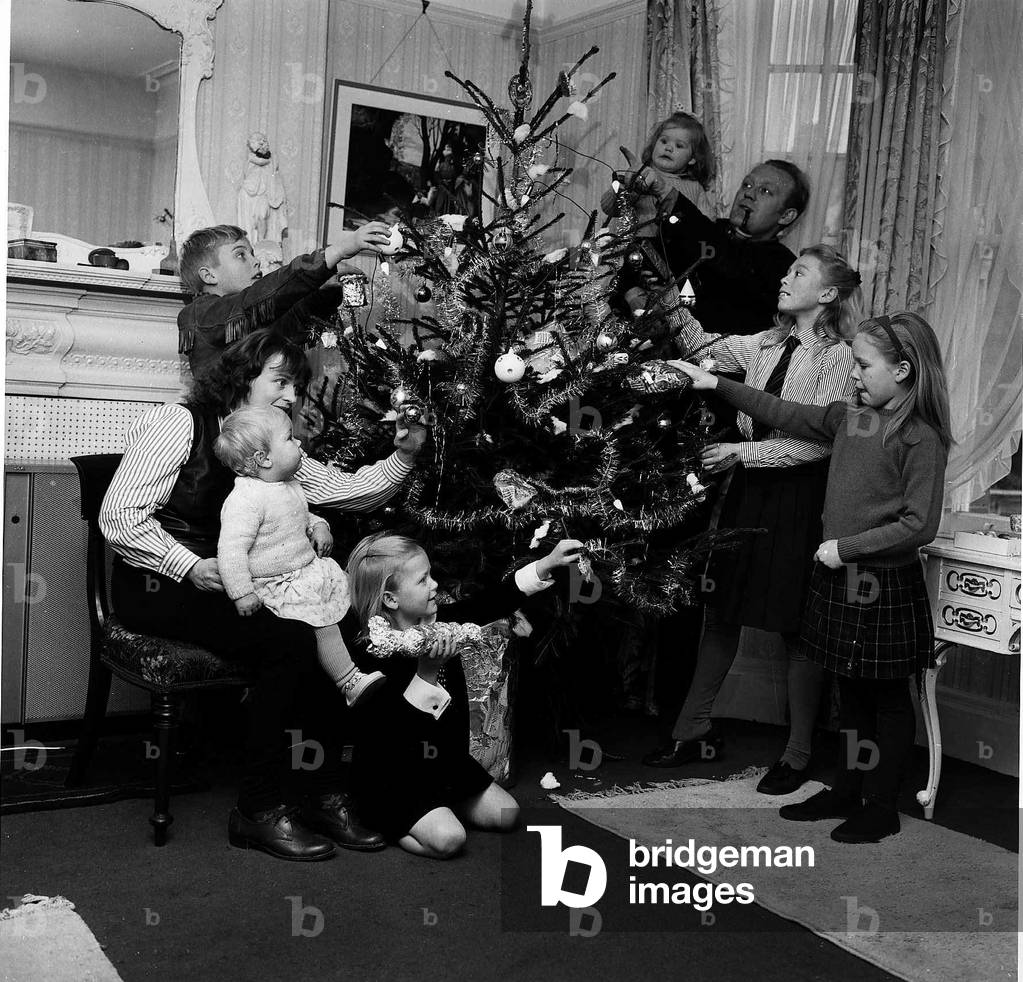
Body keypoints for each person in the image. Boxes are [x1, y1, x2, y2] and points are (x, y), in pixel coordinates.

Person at [100, 329, 427, 861]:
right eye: (281, 381)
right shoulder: (178, 423)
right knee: (288, 641)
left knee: (336, 628)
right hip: (164, 582)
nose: (293, 395)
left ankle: (326, 794)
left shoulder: (274, 449)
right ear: (241, 378)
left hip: (247, 582)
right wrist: (188, 565)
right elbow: (119, 517)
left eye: (296, 385)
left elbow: (349, 490)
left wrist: (405, 457)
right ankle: (258, 810)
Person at [670, 311, 951, 842]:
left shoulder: (920, 438)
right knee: (850, 693)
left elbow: (919, 524)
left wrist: (845, 549)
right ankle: (846, 790)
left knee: (888, 699)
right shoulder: (851, 417)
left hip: (881, 586)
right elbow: (784, 411)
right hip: (840, 579)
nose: (854, 374)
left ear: (905, 371)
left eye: (864, 366)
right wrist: (718, 383)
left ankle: (880, 806)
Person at [642, 246, 861, 800]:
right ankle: (690, 730)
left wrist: (743, 454)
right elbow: (704, 349)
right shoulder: (767, 342)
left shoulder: (837, 356)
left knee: (794, 626)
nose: (785, 279)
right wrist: (668, 293)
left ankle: (799, 753)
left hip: (798, 497)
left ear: (828, 294)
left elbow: (820, 440)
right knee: (721, 611)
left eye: (798, 273)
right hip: (748, 494)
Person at [344, 533, 585, 858]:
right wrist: (426, 674)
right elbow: (389, 730)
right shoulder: (372, 650)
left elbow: (489, 603)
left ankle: (440, 805)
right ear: (390, 599)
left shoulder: (437, 623)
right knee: (449, 840)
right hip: (395, 773)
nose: (434, 584)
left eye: (431, 574)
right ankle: (389, 822)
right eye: (423, 580)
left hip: (444, 762)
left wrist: (545, 565)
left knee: (507, 814)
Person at [214, 406, 385, 706]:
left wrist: (320, 526)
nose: (299, 444)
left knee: (346, 593)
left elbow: (301, 515)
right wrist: (241, 593)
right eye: (290, 438)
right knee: (323, 622)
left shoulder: (288, 484)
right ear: (263, 459)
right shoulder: (246, 499)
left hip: (306, 569)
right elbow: (231, 550)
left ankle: (374, 645)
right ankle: (349, 681)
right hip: (278, 582)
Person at [176, 221, 392, 380]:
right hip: (231, 433)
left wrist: (328, 288)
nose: (256, 261)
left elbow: (295, 321)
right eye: (241, 255)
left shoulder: (254, 316)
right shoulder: (197, 314)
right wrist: (336, 252)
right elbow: (257, 300)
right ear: (209, 276)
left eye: (252, 253)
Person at [643, 158, 810, 338]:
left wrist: (665, 191)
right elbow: (648, 253)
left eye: (765, 191)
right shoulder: (711, 229)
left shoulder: (785, 267)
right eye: (747, 185)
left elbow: (727, 259)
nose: (749, 194)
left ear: (786, 216)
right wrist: (633, 293)